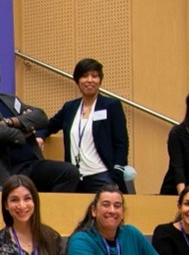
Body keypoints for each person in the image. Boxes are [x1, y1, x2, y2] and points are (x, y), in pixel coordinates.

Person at [0, 52, 79, 191]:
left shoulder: (10, 99)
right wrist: (26, 129)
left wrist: (11, 122)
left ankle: (49, 213)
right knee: (14, 193)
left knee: (69, 173)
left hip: (32, 164)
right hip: (3, 169)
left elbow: (41, 117)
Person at [45, 58, 130, 192]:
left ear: (100, 80)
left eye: (94, 76)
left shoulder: (111, 106)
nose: (90, 80)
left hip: (102, 175)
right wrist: (39, 136)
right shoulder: (70, 108)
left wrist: (117, 172)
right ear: (77, 80)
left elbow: (121, 142)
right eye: (84, 76)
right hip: (74, 177)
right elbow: (49, 126)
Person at [65, 187, 166, 255]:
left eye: (117, 206)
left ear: (122, 212)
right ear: (94, 211)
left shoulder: (132, 233)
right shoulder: (80, 239)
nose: (112, 211)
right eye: (106, 205)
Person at [0, 174, 63, 255]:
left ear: (34, 201)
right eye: (14, 200)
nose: (22, 205)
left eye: (27, 199)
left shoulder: (52, 237)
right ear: (6, 205)